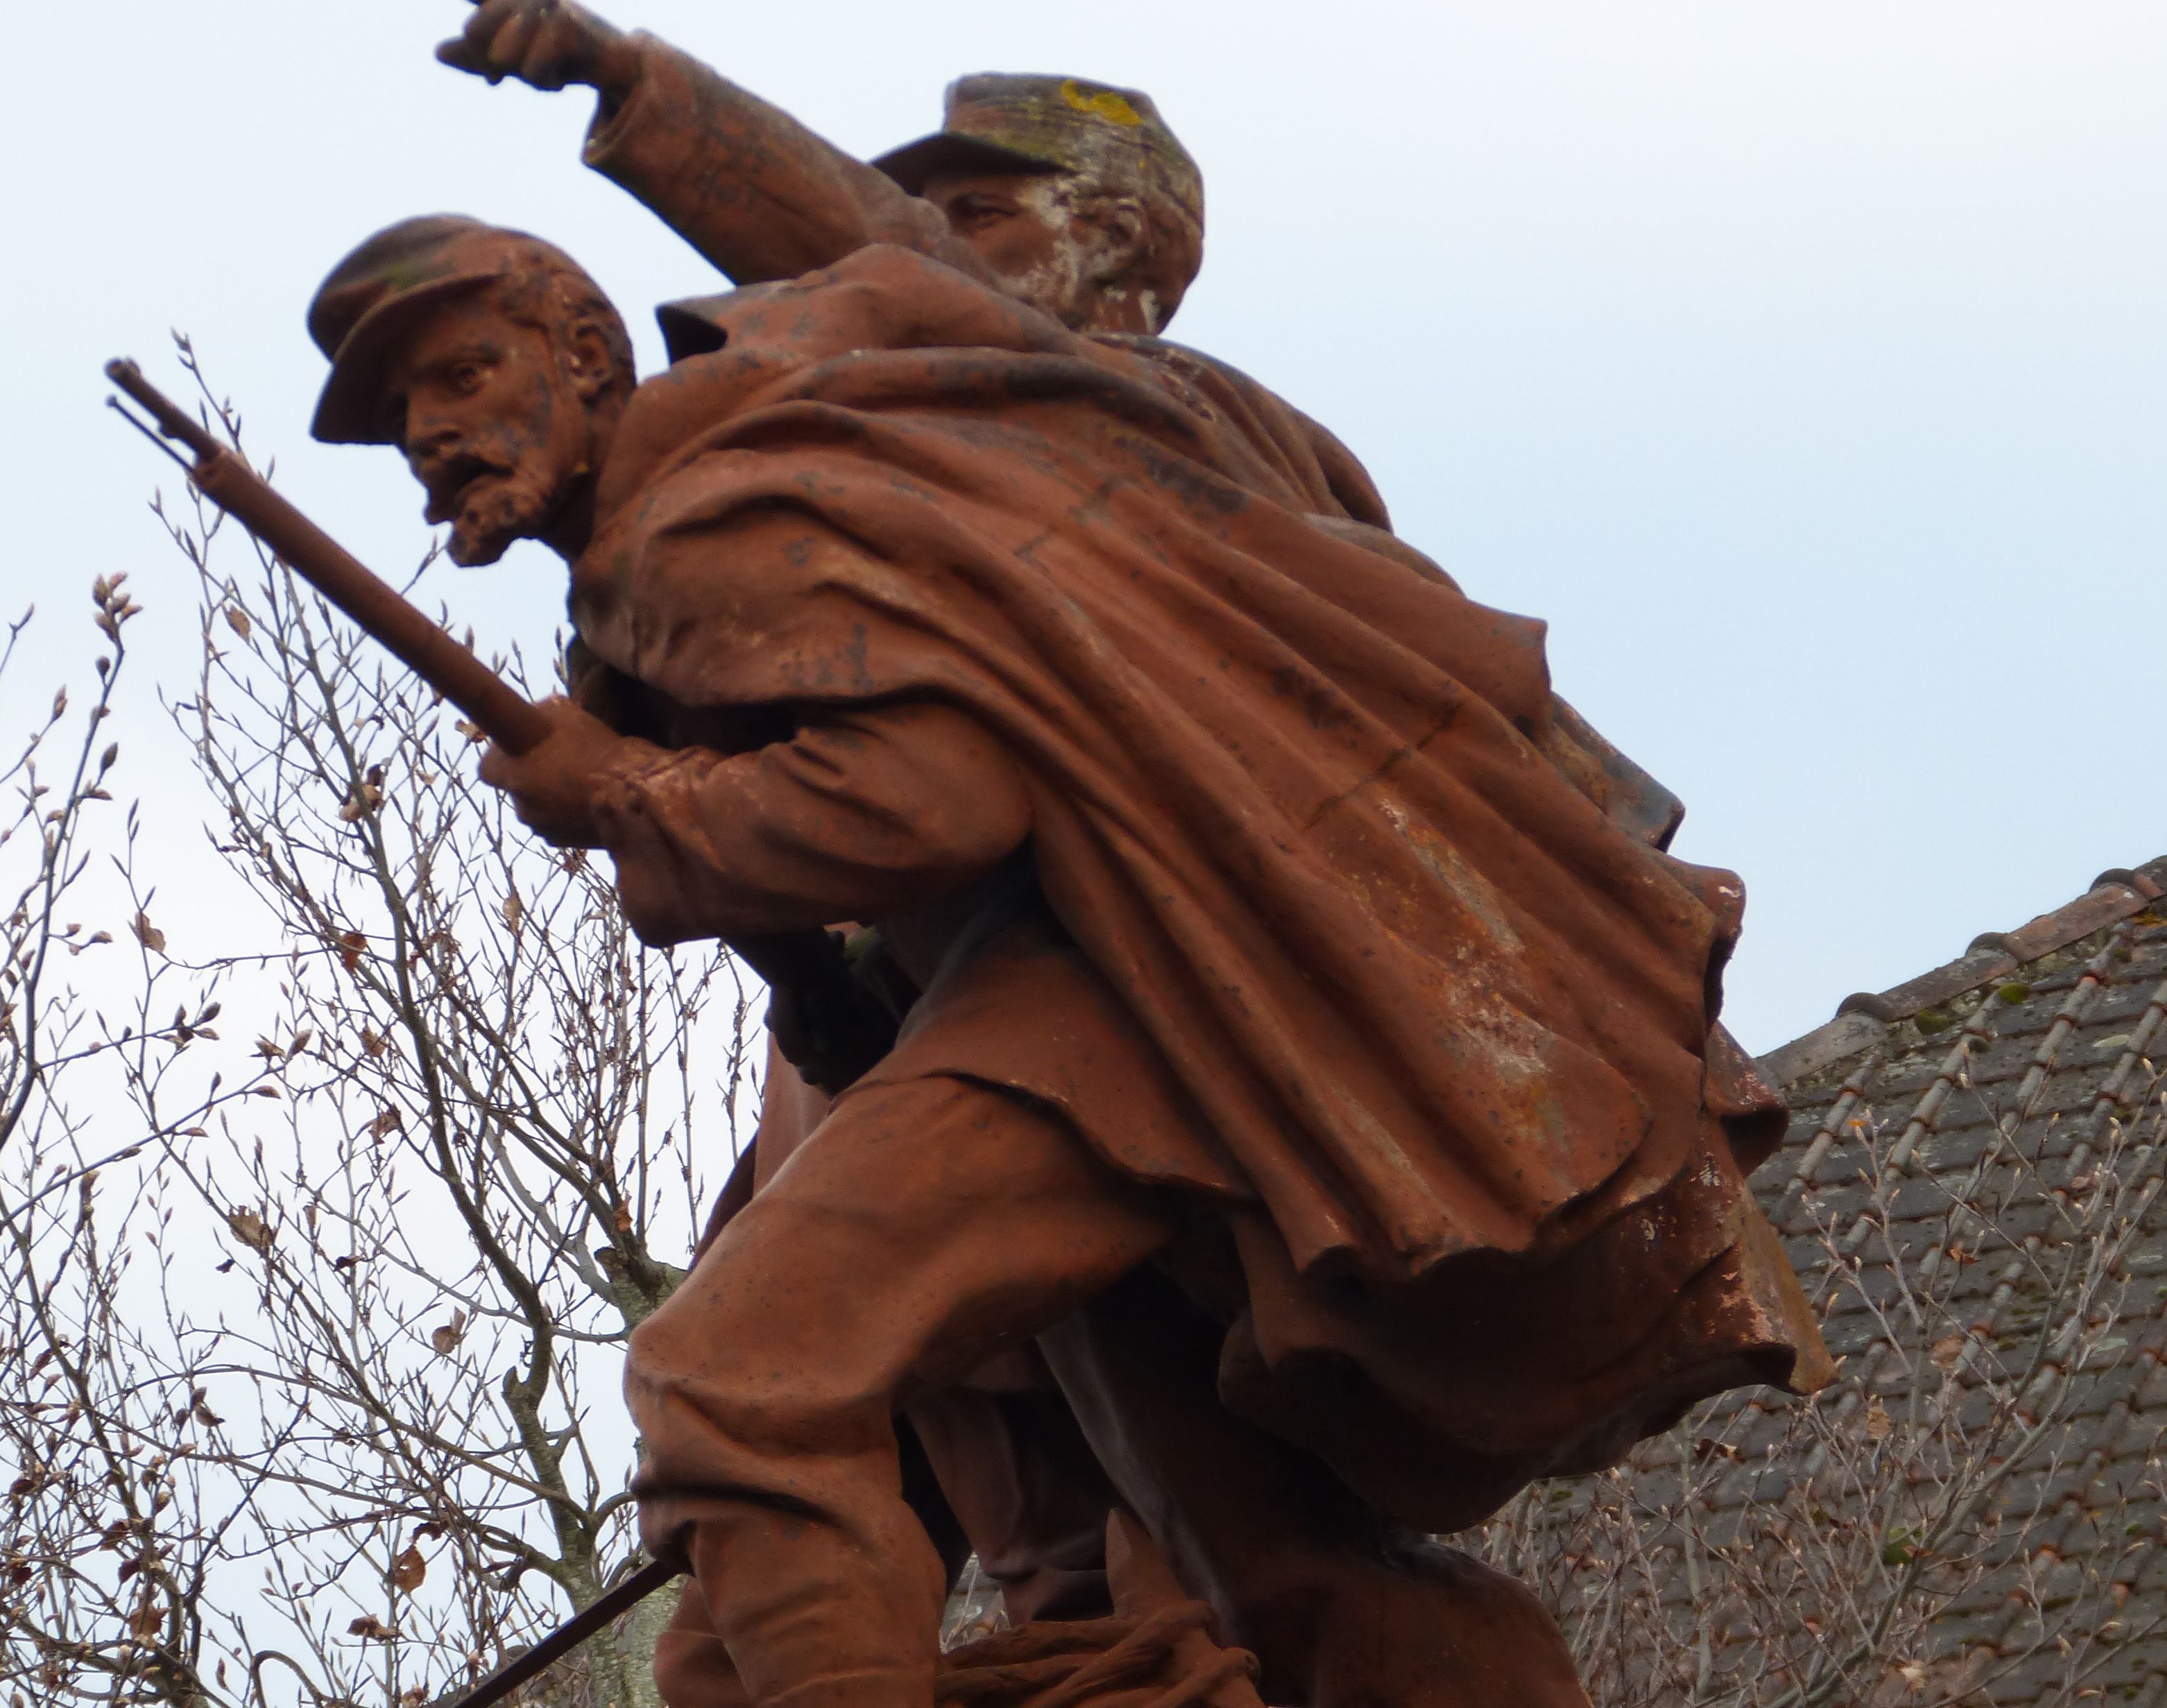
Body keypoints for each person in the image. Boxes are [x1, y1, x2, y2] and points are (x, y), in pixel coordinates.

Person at [301, 214, 1826, 1708]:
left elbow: (934, 796)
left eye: (456, 377)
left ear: (583, 351)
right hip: (1102, 1006)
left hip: (1103, 1007)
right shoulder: (711, 519)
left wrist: (633, 801)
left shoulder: (699, 522)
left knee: (736, 1381)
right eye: (397, 426)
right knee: (1260, 1565)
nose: (430, 439)